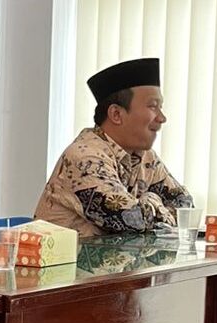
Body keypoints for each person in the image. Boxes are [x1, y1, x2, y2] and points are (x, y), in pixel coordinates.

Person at [35, 57, 192, 236]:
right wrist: (153, 200)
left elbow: (185, 207)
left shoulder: (146, 157)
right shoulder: (84, 157)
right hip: (65, 255)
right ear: (116, 114)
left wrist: (147, 206)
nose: (162, 118)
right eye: (153, 107)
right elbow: (130, 220)